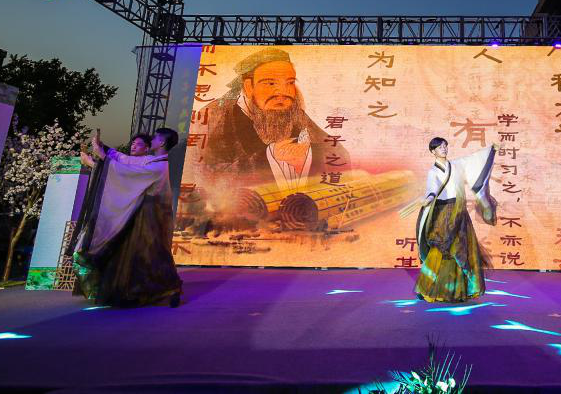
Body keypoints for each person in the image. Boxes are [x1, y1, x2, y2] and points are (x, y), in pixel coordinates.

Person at [198, 48, 351, 190]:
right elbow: (202, 177)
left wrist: (309, 155)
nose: (282, 92)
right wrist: (269, 157)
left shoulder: (290, 110)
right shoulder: (214, 115)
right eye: (270, 83)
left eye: (289, 82)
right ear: (248, 87)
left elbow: (337, 153)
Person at [71, 128, 183, 308]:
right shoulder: (153, 160)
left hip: (149, 218)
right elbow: (127, 161)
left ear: (162, 142)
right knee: (136, 256)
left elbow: (127, 173)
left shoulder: (159, 166)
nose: (152, 140)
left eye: (155, 138)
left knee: (150, 254)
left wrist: (99, 158)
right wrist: (105, 150)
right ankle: (144, 290)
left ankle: (167, 290)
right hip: (139, 213)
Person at [415, 138, 498, 303]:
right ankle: (430, 287)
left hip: (458, 211)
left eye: (445, 146)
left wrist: (491, 150)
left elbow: (474, 160)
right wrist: (428, 199)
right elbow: (432, 189)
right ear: (433, 152)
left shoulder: (457, 165)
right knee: (442, 248)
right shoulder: (433, 172)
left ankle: (462, 289)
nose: (444, 149)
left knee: (462, 248)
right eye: (439, 147)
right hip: (442, 212)